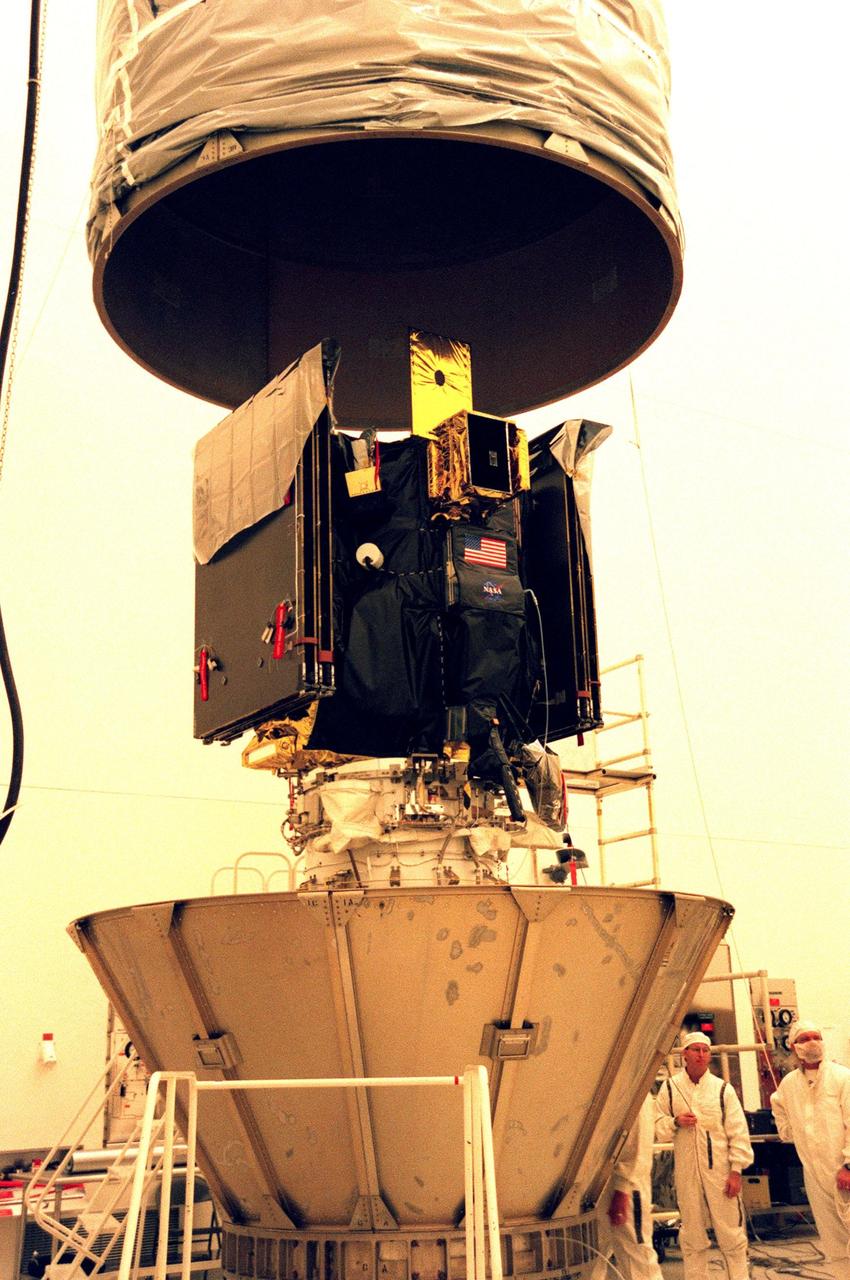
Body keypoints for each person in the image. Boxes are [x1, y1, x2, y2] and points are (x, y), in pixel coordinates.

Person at [655, 1031, 753, 1280]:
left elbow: (738, 1132)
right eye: (695, 1050)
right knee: (692, 1236)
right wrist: (675, 1122)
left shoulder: (722, 1090)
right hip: (687, 1174)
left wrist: (736, 1171)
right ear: (685, 1054)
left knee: (731, 1233)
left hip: (720, 1172)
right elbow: (657, 1126)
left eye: (705, 1050)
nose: (701, 1055)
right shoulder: (670, 1087)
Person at [770, 1019, 850, 1280]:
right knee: (832, 1239)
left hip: (843, 1170)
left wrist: (848, 1165)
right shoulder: (790, 1084)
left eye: (816, 1037)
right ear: (793, 1047)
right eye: (805, 1039)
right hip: (815, 1174)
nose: (812, 1042)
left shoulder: (842, 1078)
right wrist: (788, 1132)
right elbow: (778, 1106)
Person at [594, 1093, 664, 1280]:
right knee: (594, 1255)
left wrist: (622, 1189)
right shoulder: (612, 1084)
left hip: (627, 1185)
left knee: (636, 1255)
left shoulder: (637, 1089)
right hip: (596, 1184)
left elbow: (639, 1147)